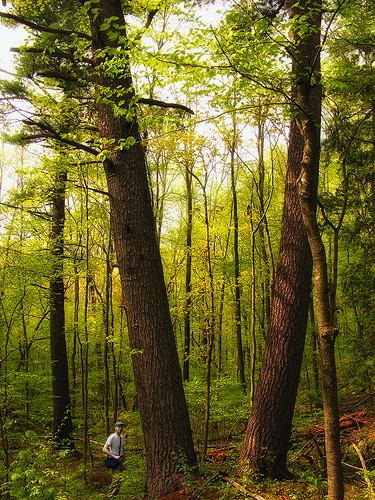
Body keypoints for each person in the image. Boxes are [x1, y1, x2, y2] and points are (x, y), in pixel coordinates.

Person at [103, 421, 125, 498]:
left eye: (121, 426)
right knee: (116, 478)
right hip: (114, 460)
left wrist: (123, 461)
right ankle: (109, 496)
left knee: (120, 479)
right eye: (118, 426)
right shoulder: (112, 437)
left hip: (121, 460)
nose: (120, 428)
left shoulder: (122, 438)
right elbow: (104, 449)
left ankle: (114, 496)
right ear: (115, 428)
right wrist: (114, 456)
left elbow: (122, 450)